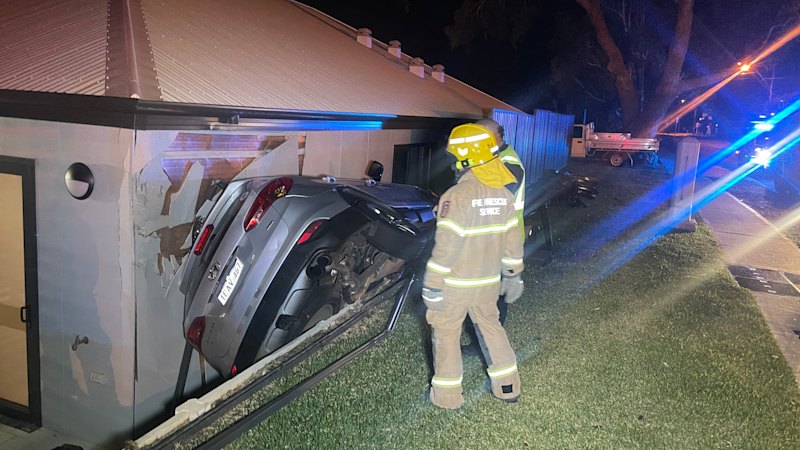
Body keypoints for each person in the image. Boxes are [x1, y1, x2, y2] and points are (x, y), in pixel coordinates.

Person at [422, 123, 525, 409]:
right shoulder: (503, 195)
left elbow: (446, 248)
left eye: (455, 157)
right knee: (491, 328)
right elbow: (511, 238)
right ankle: (508, 387)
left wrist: (432, 284)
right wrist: (514, 275)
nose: (453, 163)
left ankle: (447, 396)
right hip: (487, 284)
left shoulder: (456, 197)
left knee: (445, 333)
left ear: (466, 157)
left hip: (454, 286)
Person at [460, 118, 526, 356]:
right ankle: (482, 342)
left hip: (503, 241)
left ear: (500, 136)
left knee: (494, 298)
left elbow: (492, 195)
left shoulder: (509, 164)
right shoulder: (490, 158)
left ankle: (489, 346)